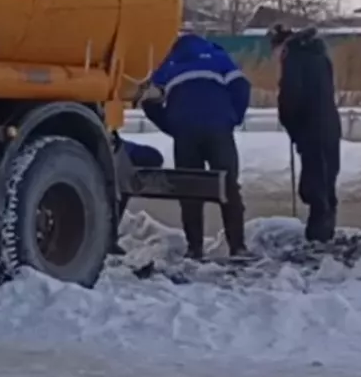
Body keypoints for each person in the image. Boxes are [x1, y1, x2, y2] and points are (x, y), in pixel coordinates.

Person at [139, 32, 252, 259]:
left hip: (186, 134)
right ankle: (238, 247)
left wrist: (172, 125)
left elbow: (149, 99)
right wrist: (233, 117)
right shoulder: (218, 56)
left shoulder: (168, 62)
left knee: (190, 189)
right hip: (219, 131)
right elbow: (242, 86)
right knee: (228, 186)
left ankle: (195, 248)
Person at [268, 24, 343, 243]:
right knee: (325, 179)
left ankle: (318, 236)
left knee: (314, 186)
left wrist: (289, 121)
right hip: (328, 122)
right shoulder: (320, 55)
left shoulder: (294, 58)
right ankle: (325, 231)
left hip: (309, 125)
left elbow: (291, 95)